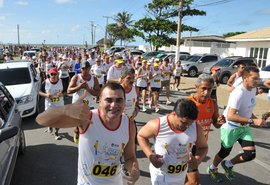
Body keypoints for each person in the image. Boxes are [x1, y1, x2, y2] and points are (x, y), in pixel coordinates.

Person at [36, 83, 140, 185]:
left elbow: (130, 157)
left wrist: (133, 169)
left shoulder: (129, 125)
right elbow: (41, 120)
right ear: (99, 101)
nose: (114, 105)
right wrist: (66, 109)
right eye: (108, 100)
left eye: (119, 100)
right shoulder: (87, 118)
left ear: (125, 102)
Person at [207, 66, 266, 183]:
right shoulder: (238, 93)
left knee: (250, 154)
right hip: (231, 127)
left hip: (244, 128)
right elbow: (230, 116)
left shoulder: (253, 89)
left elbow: (248, 109)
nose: (257, 81)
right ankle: (212, 168)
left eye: (258, 78)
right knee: (225, 152)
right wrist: (253, 121)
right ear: (245, 78)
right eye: (254, 78)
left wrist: (255, 118)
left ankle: (228, 164)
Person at [137, 98, 208, 185]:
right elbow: (141, 136)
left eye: (190, 124)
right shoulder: (157, 125)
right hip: (161, 175)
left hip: (180, 175)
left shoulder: (196, 128)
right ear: (174, 114)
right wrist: (150, 155)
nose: (187, 127)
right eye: (183, 122)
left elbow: (203, 147)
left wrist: (197, 160)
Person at [186, 73, 226, 184]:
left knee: (190, 175)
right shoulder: (188, 103)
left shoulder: (212, 103)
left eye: (209, 89)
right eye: (203, 88)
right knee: (192, 178)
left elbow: (216, 124)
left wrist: (221, 121)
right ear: (196, 87)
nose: (206, 92)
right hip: (187, 145)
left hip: (201, 146)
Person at [67, 61, 100, 144]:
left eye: (86, 68)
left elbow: (98, 93)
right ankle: (76, 131)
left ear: (89, 68)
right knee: (78, 125)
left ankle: (86, 140)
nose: (84, 70)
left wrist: (88, 89)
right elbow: (68, 91)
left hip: (89, 105)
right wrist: (79, 87)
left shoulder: (94, 79)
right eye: (82, 68)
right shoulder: (76, 77)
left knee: (88, 124)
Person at [39, 68, 64, 140]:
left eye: (55, 74)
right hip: (49, 105)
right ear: (49, 75)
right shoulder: (45, 82)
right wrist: (46, 95)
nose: (53, 75)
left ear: (58, 74)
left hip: (59, 105)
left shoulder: (61, 82)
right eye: (51, 74)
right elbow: (39, 92)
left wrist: (62, 94)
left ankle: (56, 133)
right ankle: (50, 126)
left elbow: (67, 91)